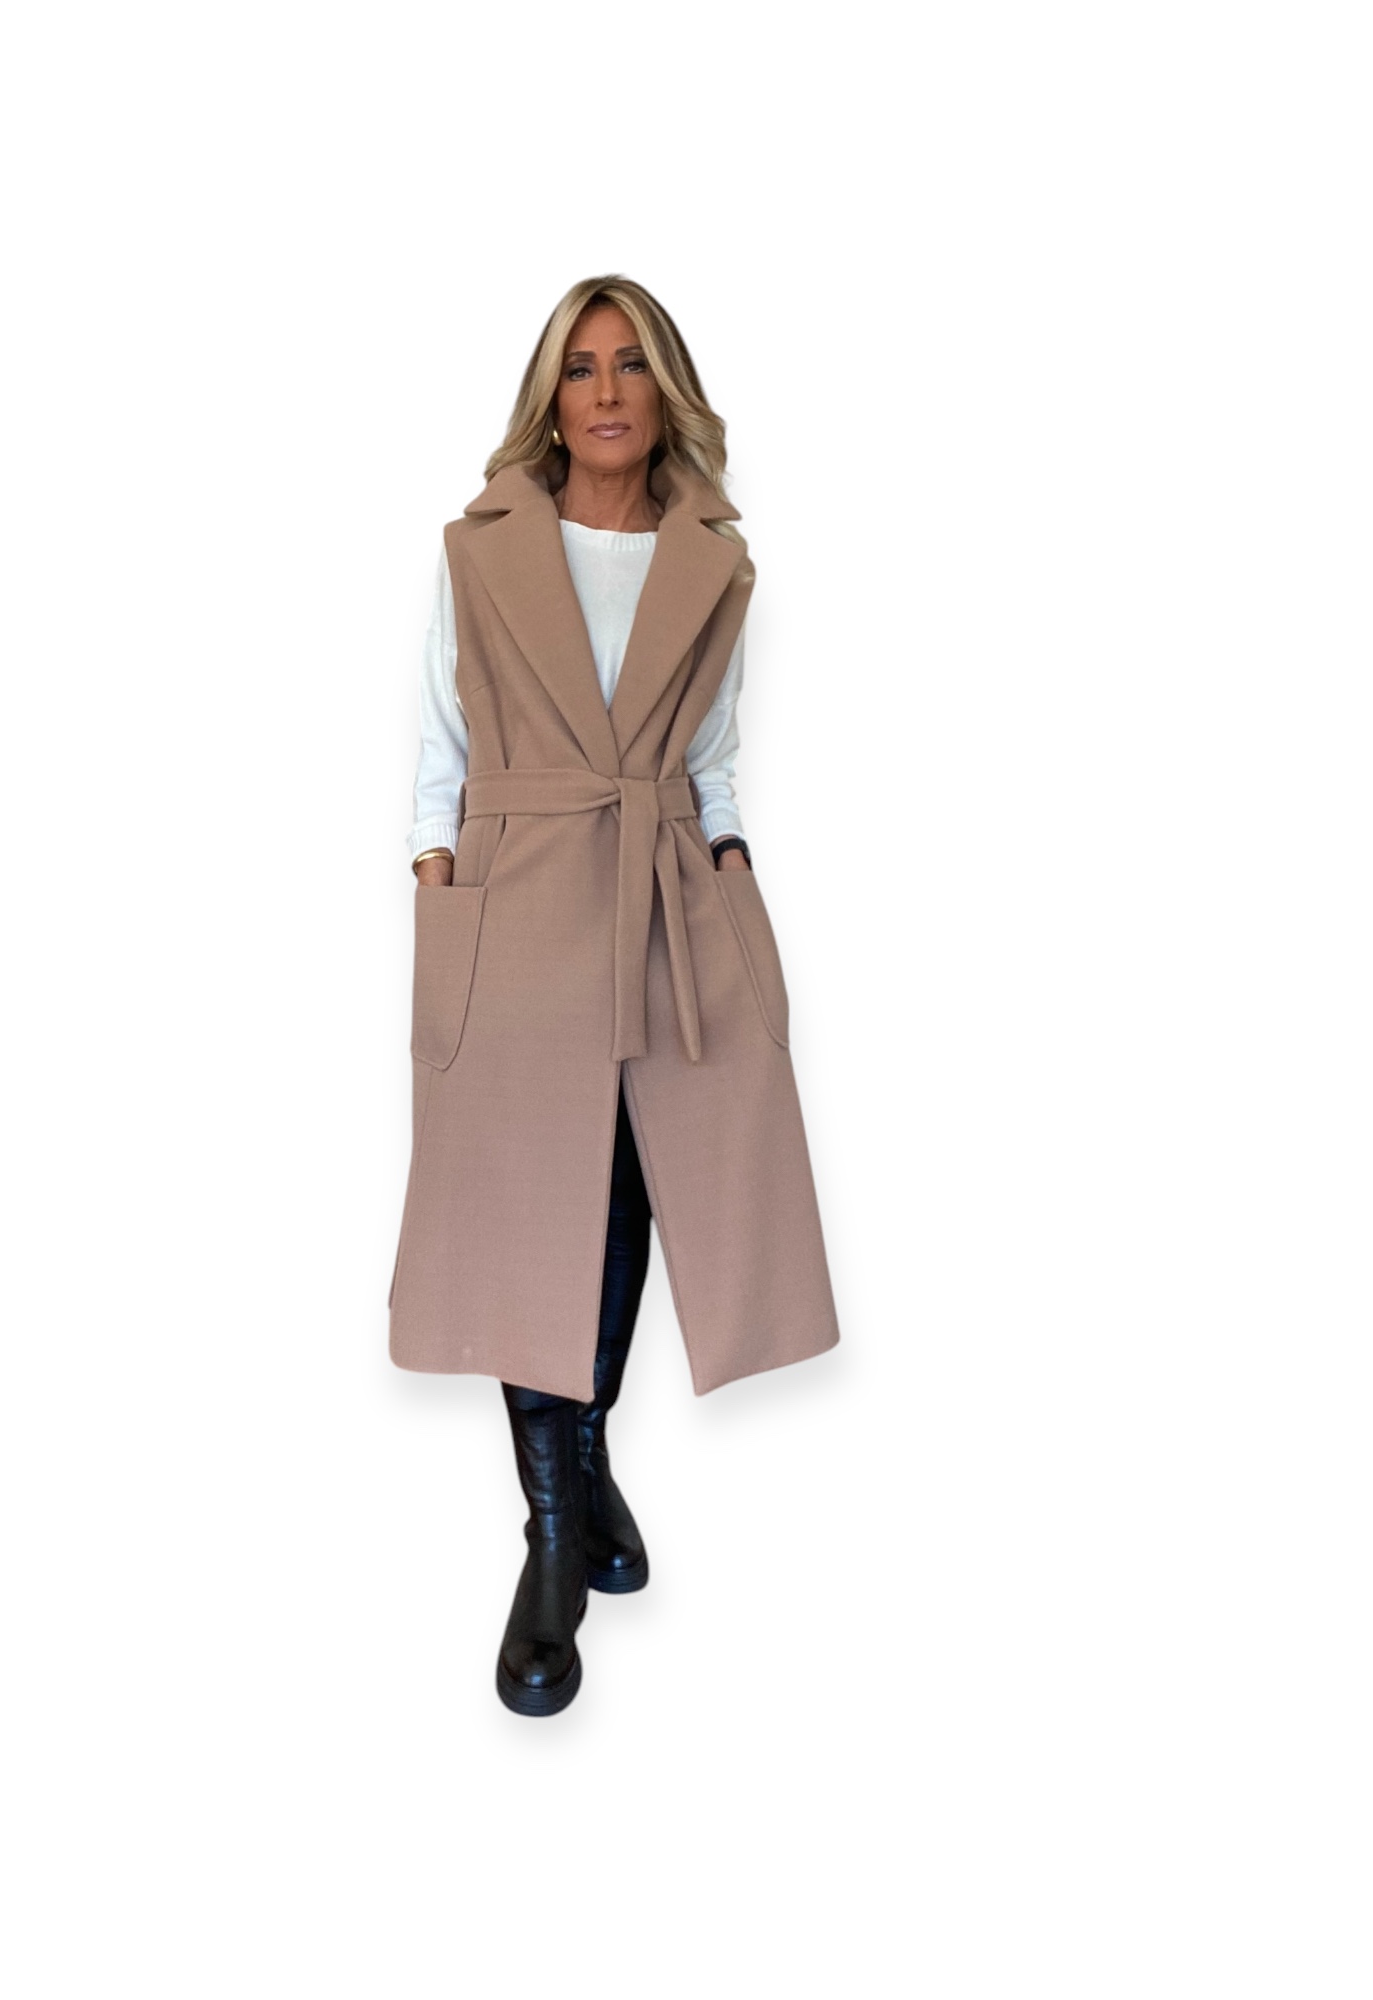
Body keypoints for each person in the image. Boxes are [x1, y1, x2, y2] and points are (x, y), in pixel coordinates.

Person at [388, 275, 839, 1716]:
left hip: (663, 895)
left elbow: (714, 757)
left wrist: (733, 877)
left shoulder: (717, 563)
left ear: (664, 393)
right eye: (578, 367)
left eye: (630, 364)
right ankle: (552, 1545)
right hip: (517, 901)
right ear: (551, 397)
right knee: (532, 1214)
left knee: (640, 1187)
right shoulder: (476, 550)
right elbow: (441, 745)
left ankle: (581, 1467)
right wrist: (440, 880)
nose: (603, 390)